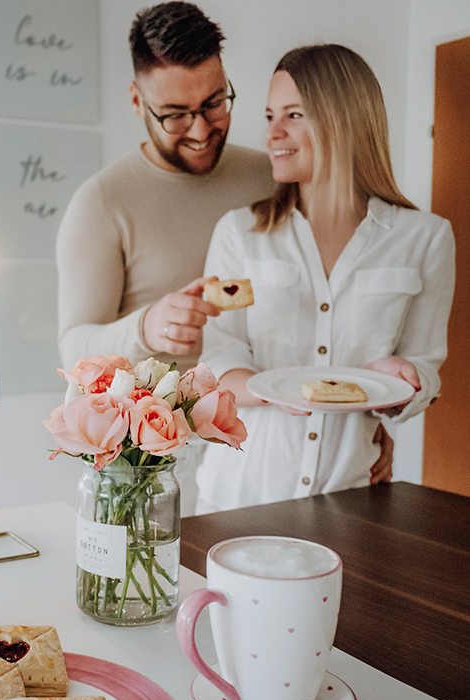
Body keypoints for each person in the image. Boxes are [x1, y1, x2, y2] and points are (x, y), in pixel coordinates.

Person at [196, 44, 455, 513]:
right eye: (271, 114)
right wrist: (270, 389)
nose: (272, 132)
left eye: (293, 114)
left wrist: (407, 381)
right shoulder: (239, 234)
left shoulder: (426, 239)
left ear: (345, 120)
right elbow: (218, 357)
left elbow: (425, 364)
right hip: (238, 496)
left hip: (352, 498)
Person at [56, 1, 275, 377]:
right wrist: (146, 327)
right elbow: (73, 350)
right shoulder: (101, 203)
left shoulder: (272, 177)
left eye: (214, 103)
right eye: (175, 115)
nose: (201, 131)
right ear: (138, 102)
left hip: (274, 423)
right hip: (171, 432)